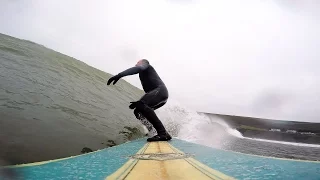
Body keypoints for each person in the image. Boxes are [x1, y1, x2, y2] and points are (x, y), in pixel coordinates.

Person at [107, 59, 172, 142]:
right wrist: (139, 104)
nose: (136, 64)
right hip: (158, 94)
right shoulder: (143, 72)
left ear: (143, 63)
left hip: (160, 91)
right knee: (138, 111)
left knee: (141, 105)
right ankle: (152, 132)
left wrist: (119, 75)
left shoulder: (147, 66)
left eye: (138, 62)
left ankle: (162, 133)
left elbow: (138, 69)